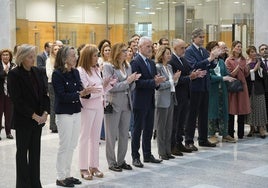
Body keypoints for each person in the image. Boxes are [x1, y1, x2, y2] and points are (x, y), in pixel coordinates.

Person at [7, 44, 50, 188]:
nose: (33, 59)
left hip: (38, 120)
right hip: (24, 120)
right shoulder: (14, 74)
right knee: (22, 154)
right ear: (22, 58)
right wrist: (34, 116)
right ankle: (23, 184)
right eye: (30, 57)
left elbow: (44, 94)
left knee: (35, 154)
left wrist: (45, 113)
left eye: (33, 56)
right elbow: (17, 100)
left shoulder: (37, 71)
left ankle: (35, 183)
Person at [52, 46, 94, 187]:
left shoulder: (75, 72)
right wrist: (79, 94)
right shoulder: (57, 74)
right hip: (64, 113)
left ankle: (68, 174)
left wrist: (87, 91)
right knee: (64, 146)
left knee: (72, 145)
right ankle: (60, 176)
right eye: (72, 56)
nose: (75, 58)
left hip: (76, 111)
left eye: (75, 55)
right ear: (64, 58)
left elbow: (81, 90)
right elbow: (62, 96)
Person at [77, 44, 116, 180]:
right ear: (88, 57)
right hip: (87, 107)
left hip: (99, 106)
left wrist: (108, 85)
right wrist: (100, 88)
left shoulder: (96, 70)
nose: (97, 58)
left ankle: (94, 165)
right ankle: (83, 167)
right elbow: (86, 92)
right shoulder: (81, 71)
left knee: (95, 138)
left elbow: (99, 90)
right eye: (95, 55)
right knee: (85, 137)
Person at [103, 43, 140, 172]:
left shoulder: (127, 66)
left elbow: (130, 87)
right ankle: (112, 162)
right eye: (124, 51)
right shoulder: (108, 66)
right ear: (117, 52)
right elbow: (110, 87)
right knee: (111, 135)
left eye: (127, 51)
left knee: (124, 134)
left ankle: (121, 160)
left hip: (127, 102)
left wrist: (133, 81)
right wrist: (127, 82)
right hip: (113, 104)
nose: (126, 53)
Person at [131, 36, 165, 168]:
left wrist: (157, 82)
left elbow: (153, 81)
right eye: (147, 46)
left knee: (149, 129)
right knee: (137, 130)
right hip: (139, 101)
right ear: (140, 47)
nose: (150, 49)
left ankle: (147, 154)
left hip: (150, 100)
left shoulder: (151, 63)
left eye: (151, 46)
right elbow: (137, 83)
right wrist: (153, 82)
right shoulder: (136, 62)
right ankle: (135, 156)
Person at [184, 28, 220, 151]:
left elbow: (211, 66)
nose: (203, 39)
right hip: (195, 86)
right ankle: (188, 140)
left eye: (204, 37)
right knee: (192, 115)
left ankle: (203, 139)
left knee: (204, 114)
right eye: (200, 37)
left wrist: (215, 58)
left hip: (205, 85)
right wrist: (209, 60)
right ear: (194, 38)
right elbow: (193, 66)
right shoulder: (189, 51)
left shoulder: (203, 50)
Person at [168, 39, 206, 155]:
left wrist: (195, 74)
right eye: (182, 48)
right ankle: (172, 145)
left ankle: (179, 143)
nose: (184, 50)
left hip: (185, 95)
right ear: (175, 49)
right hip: (177, 94)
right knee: (175, 121)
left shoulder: (183, 59)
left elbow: (189, 71)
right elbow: (175, 80)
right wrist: (190, 77)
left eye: (185, 48)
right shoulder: (172, 61)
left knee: (181, 121)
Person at [206, 41, 236, 143]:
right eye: (215, 49)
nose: (218, 50)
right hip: (212, 91)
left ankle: (225, 134)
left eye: (218, 48)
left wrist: (230, 77)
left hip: (222, 90)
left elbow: (227, 73)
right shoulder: (207, 62)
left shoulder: (222, 62)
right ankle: (211, 134)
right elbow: (209, 77)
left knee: (223, 111)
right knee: (212, 112)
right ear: (209, 51)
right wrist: (222, 78)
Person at [154, 45, 181, 160]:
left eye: (170, 53)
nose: (169, 55)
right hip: (162, 99)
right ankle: (161, 151)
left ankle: (168, 150)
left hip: (171, 97)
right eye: (167, 53)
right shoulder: (158, 67)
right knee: (161, 127)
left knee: (169, 126)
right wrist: (172, 81)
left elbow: (172, 83)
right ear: (161, 55)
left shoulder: (169, 67)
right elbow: (159, 85)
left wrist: (175, 80)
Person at [225, 40, 250, 139]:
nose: (239, 48)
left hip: (242, 86)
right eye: (237, 46)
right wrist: (238, 66)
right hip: (233, 87)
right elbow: (230, 74)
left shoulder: (244, 59)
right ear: (233, 47)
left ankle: (241, 134)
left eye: (240, 46)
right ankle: (230, 133)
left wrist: (247, 68)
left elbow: (246, 75)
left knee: (242, 110)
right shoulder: (228, 60)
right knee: (232, 110)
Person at [245, 45, 267, 138]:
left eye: (254, 51)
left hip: (259, 87)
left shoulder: (260, 62)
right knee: (251, 108)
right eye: (252, 52)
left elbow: (264, 75)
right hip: (249, 88)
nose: (254, 53)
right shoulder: (246, 62)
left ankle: (261, 128)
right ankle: (252, 128)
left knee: (260, 108)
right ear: (249, 54)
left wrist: (259, 69)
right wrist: (253, 70)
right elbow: (245, 75)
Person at [0, 49, 16, 140]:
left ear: (10, 56)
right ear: (1, 56)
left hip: (10, 94)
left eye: (7, 55)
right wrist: (4, 72)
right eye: (3, 55)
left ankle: (8, 132)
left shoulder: (13, 66)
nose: (5, 56)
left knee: (9, 114)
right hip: (1, 94)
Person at [46, 43, 60, 133]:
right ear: (52, 51)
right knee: (53, 104)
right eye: (55, 49)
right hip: (52, 84)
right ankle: (53, 125)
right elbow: (49, 74)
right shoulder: (49, 60)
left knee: (59, 104)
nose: (57, 51)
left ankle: (59, 124)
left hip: (60, 84)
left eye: (58, 49)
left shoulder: (62, 60)